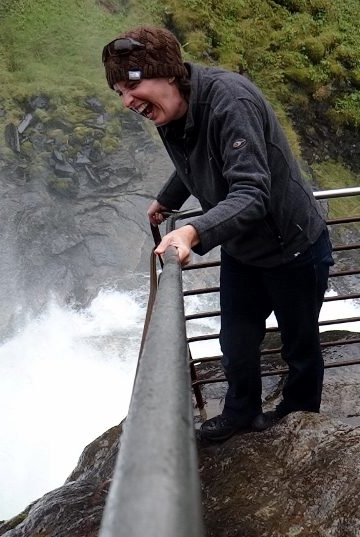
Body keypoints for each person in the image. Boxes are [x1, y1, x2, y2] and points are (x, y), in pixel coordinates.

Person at [101, 26, 333, 442]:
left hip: (293, 245)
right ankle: (240, 412)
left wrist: (192, 231)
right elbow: (198, 156)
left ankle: (300, 417)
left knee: (299, 344)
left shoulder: (231, 100)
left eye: (131, 87)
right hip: (243, 246)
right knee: (235, 340)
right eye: (119, 92)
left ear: (169, 74)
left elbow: (252, 191)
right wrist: (168, 198)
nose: (127, 102)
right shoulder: (173, 109)